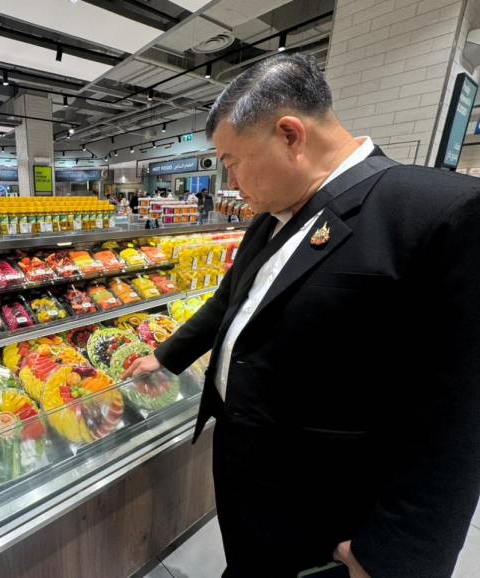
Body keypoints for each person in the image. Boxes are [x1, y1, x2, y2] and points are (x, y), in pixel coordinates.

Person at [123, 53, 480, 578]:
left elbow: (460, 411)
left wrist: (398, 556)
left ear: (290, 134)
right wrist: (167, 356)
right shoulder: (272, 216)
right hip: (247, 473)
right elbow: (231, 299)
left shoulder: (438, 212)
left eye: (232, 162)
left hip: (329, 505)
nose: (231, 181)